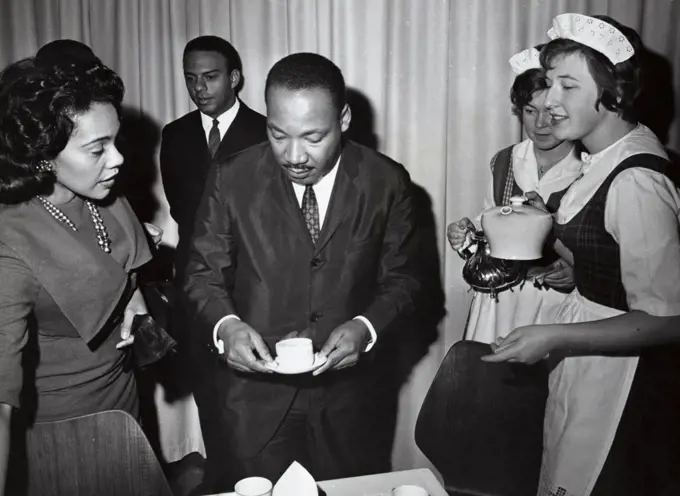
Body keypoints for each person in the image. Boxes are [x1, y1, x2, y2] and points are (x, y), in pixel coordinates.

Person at [182, 52, 420, 491]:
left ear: (344, 119)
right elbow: (201, 273)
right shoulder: (231, 177)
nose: (294, 156)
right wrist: (226, 327)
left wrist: (367, 327)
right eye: (278, 134)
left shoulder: (387, 182)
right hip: (254, 402)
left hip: (349, 403)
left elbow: (404, 280)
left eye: (313, 137)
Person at [483, 14, 680, 495]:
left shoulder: (636, 178)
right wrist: (556, 252)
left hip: (625, 378)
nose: (548, 102)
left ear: (613, 93)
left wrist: (552, 335)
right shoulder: (602, 159)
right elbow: (604, 259)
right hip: (588, 358)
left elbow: (669, 318)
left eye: (567, 86)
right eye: (549, 85)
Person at [0, 58, 152, 494]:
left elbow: (117, 262)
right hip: (63, 435)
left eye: (116, 141)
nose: (119, 158)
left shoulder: (98, 192)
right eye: (98, 148)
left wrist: (133, 295)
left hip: (124, 402)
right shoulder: (10, 242)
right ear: (45, 153)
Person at [159, 35, 266, 489]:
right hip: (196, 283)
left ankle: (259, 478)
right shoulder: (176, 135)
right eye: (190, 78)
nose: (199, 88)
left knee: (255, 390)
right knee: (207, 387)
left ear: (235, 78)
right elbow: (182, 212)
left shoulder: (266, 131)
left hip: (256, 284)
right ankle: (222, 477)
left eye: (210, 77)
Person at [447, 45, 581, 344]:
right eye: (530, 111)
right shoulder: (504, 161)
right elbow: (489, 236)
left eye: (550, 111)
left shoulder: (589, 165)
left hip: (556, 309)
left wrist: (578, 274)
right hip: (499, 305)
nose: (540, 124)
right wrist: (467, 238)